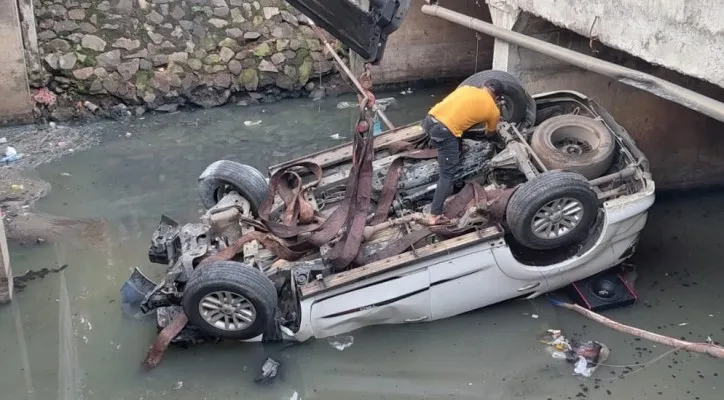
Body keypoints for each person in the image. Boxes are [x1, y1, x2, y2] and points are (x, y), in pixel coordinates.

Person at [423, 80, 503, 225]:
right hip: (444, 132)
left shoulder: (467, 88)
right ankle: (434, 215)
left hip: (429, 120)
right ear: (497, 98)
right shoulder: (493, 110)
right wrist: (494, 121)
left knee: (457, 133)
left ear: (483, 87)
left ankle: (452, 151)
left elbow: (462, 112)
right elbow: (489, 134)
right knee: (447, 175)